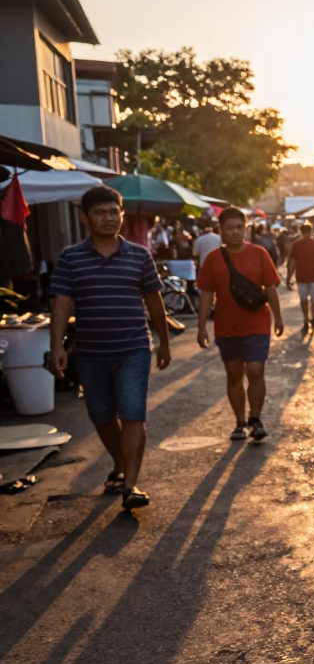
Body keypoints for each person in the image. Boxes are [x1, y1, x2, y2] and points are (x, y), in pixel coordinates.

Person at [48, 185, 171, 510]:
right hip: (90, 352)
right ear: (84, 218)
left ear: (121, 215)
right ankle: (119, 463)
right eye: (100, 212)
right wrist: (57, 346)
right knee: (102, 415)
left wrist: (163, 342)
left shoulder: (139, 255)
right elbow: (60, 305)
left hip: (133, 348)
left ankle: (130, 485)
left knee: (132, 414)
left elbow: (154, 301)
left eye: (113, 212)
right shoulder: (70, 258)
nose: (108, 218)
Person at [196, 207, 285, 441]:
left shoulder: (259, 254)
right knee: (233, 374)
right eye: (229, 228)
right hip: (226, 326)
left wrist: (278, 317)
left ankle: (255, 418)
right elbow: (206, 294)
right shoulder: (213, 259)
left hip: (257, 322)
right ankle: (240, 422)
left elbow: (271, 288)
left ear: (246, 229)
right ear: (221, 231)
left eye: (239, 228)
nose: (235, 233)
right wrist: (201, 325)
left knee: (255, 371)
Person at [286, 221, 314, 332]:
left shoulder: (297, 244)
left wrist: (289, 277)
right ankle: (313, 319)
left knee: (304, 300)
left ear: (301, 232)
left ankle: (305, 319)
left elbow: (293, 262)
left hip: (301, 277)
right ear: (311, 232)